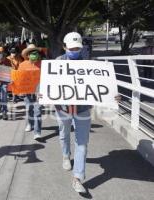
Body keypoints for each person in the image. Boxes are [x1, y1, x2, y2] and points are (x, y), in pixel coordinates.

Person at [54, 32, 121, 193]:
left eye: (77, 48)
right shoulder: (56, 63)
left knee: (82, 143)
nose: (74, 50)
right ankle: (65, 155)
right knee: (64, 134)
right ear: (64, 47)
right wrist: (40, 92)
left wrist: (112, 95)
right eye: (71, 48)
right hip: (62, 108)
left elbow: (101, 85)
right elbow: (47, 84)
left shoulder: (89, 65)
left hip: (83, 109)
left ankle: (77, 177)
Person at [18, 44, 42, 140]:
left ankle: (37, 132)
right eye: (31, 53)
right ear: (27, 55)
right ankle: (30, 123)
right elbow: (19, 78)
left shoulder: (43, 64)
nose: (34, 55)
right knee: (29, 109)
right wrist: (20, 90)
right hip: (27, 92)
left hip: (39, 92)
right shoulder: (22, 65)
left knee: (38, 111)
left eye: (35, 53)